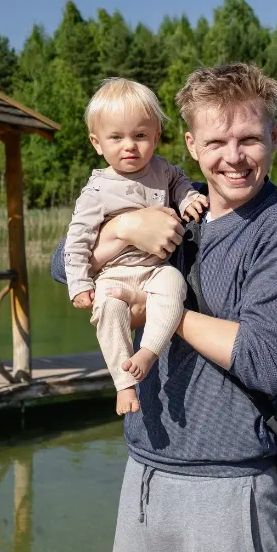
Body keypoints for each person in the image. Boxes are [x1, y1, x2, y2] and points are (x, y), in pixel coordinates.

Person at [51, 62, 277, 552]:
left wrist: (162, 311)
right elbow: (62, 267)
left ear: (274, 136)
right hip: (145, 467)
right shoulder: (177, 204)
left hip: (231, 482)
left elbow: (265, 362)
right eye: (216, 143)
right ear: (189, 144)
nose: (234, 158)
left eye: (249, 139)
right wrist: (123, 231)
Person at [63, 78, 209, 415]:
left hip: (154, 269)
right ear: (97, 143)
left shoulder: (162, 170)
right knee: (109, 308)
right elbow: (76, 241)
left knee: (175, 286)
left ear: (156, 137)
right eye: (116, 137)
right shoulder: (96, 191)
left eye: (140, 136)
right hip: (115, 273)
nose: (130, 146)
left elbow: (180, 182)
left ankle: (149, 350)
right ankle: (123, 383)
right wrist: (80, 283)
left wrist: (188, 198)